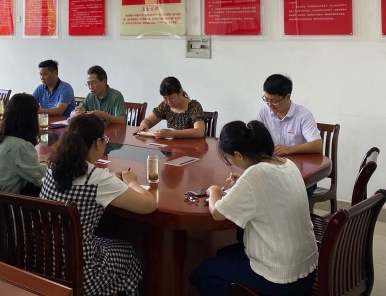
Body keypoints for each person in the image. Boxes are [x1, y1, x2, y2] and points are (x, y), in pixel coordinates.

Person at [189, 120, 318, 296]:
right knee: (225, 253)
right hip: (308, 270)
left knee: (205, 273)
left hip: (281, 278)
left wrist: (214, 191)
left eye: (229, 159)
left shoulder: (255, 175)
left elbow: (218, 213)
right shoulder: (286, 163)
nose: (230, 162)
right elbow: (268, 189)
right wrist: (244, 181)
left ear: (238, 155)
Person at [40, 113, 156, 295]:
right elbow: (149, 205)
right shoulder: (97, 179)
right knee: (129, 251)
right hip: (81, 272)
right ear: (97, 143)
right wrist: (131, 181)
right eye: (104, 139)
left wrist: (110, 179)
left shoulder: (52, 165)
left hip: (43, 261)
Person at [0, 93, 47, 256]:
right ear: (31, 119)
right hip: (4, 221)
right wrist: (44, 163)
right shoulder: (21, 147)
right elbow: (41, 180)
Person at [256, 74, 322, 156]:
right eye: (266, 99)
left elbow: (317, 145)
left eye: (274, 101)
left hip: (298, 161)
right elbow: (255, 136)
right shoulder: (264, 111)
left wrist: (289, 149)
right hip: (274, 160)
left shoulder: (304, 115)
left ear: (288, 97)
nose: (270, 104)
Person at [135, 76, 205, 138]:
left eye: (172, 98)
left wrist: (170, 134)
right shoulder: (165, 105)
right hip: (171, 146)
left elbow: (199, 132)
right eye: (165, 98)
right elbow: (148, 121)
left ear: (181, 92)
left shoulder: (194, 107)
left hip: (192, 146)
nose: (169, 102)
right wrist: (144, 125)